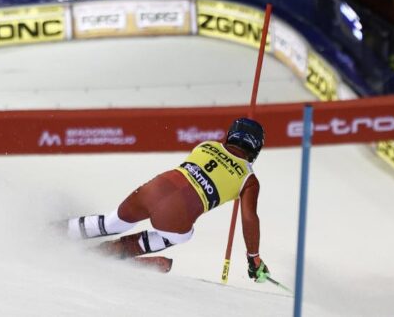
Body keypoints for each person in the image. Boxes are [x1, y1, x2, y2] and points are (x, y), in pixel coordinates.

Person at [65, 118, 270, 281]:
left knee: (112, 222)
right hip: (175, 216)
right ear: (256, 147)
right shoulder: (249, 180)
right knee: (183, 235)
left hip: (152, 190)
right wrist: (254, 259)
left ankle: (59, 230)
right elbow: (249, 218)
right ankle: (121, 249)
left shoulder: (206, 145)